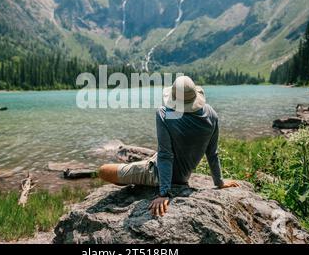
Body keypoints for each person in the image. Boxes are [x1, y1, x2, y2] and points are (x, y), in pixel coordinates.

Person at [98, 76, 239, 217]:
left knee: (103, 171)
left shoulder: (164, 114)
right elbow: (212, 153)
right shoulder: (211, 114)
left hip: (158, 174)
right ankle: (135, 177)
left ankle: (136, 181)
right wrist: (219, 182)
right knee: (146, 159)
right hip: (182, 175)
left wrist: (164, 193)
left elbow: (166, 155)